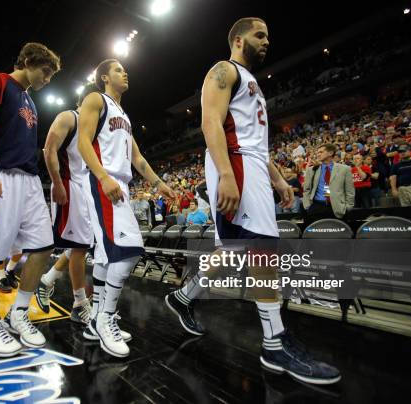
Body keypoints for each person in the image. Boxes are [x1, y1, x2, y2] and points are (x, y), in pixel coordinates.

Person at [164, 18, 341, 385]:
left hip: (252, 162)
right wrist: (228, 174)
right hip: (237, 163)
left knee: (235, 248)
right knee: (263, 246)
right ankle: (274, 341)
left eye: (268, 36)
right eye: (260, 35)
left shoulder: (252, 82)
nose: (266, 41)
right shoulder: (223, 69)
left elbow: (255, 137)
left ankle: (184, 296)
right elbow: (211, 121)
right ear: (239, 39)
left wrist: (276, 176)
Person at [77, 58, 175, 357]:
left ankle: (95, 320)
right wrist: (104, 177)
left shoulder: (123, 114)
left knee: (108, 257)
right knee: (130, 249)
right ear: (105, 77)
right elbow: (82, 142)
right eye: (118, 69)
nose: (125, 72)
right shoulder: (95, 99)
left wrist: (159, 183)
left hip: (118, 183)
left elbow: (138, 158)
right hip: (102, 182)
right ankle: (105, 318)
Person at [0, 42, 60, 357]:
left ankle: (18, 312)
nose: (47, 79)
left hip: (30, 180)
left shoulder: (30, 102)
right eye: (45, 72)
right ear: (29, 61)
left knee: (44, 246)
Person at [34, 83, 101, 325]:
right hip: (68, 186)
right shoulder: (68, 117)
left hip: (85, 190)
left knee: (80, 245)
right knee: (79, 247)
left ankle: (47, 280)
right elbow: (49, 149)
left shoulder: (93, 127)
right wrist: (58, 184)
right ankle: (79, 304)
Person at [302, 143, 355, 221]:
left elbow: (350, 191)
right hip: (316, 207)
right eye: (317, 152)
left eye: (321, 152)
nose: (318, 154)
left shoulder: (345, 169)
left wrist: (348, 207)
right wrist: (307, 206)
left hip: (337, 208)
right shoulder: (312, 170)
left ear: (330, 153)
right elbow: (306, 189)